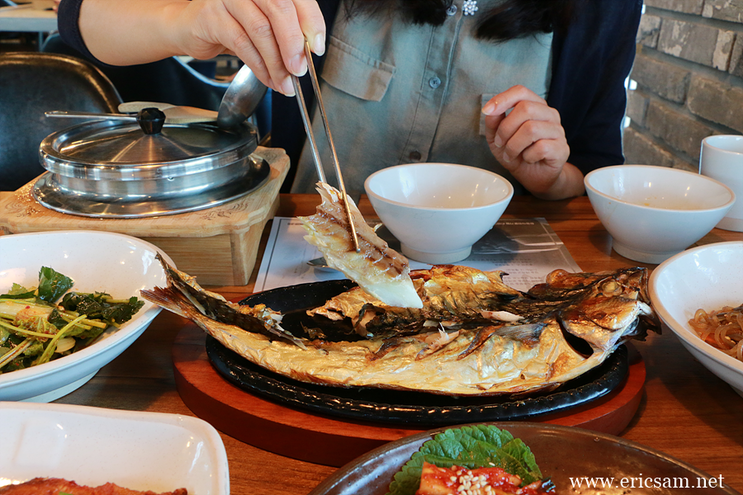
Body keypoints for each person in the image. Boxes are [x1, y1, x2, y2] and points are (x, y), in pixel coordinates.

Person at [57, 0, 642, 200]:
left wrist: (550, 176)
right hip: (302, 257)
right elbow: (85, 20)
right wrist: (191, 18)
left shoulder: (602, 12)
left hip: (501, 288)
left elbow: (593, 172)